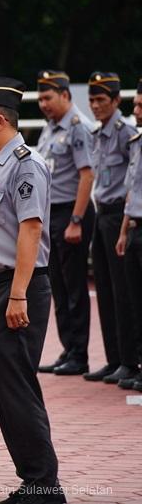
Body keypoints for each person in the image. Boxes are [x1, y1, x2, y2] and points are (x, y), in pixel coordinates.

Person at [0, 77, 65, 504]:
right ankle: (33, 481)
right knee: (7, 391)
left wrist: (17, 294)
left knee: (18, 388)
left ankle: (44, 485)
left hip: (19, 288)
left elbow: (31, 229)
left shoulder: (24, 164)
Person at [34, 70, 95, 376]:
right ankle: (67, 349)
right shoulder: (50, 129)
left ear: (65, 95)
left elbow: (87, 174)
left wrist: (76, 220)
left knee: (74, 287)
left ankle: (80, 354)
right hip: (51, 214)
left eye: (48, 97)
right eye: (40, 98)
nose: (43, 103)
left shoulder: (77, 127)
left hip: (71, 212)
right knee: (57, 285)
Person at [83, 72, 139, 385]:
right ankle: (114, 357)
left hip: (120, 214)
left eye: (101, 100)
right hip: (101, 212)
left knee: (123, 292)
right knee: (104, 289)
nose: (95, 106)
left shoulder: (125, 131)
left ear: (116, 101)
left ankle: (130, 360)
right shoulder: (98, 133)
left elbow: (135, 178)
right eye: (91, 100)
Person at [115, 77, 142, 392]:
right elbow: (132, 192)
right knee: (134, 302)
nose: (135, 110)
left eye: (139, 106)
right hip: (134, 226)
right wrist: (124, 231)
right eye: (135, 104)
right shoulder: (135, 142)